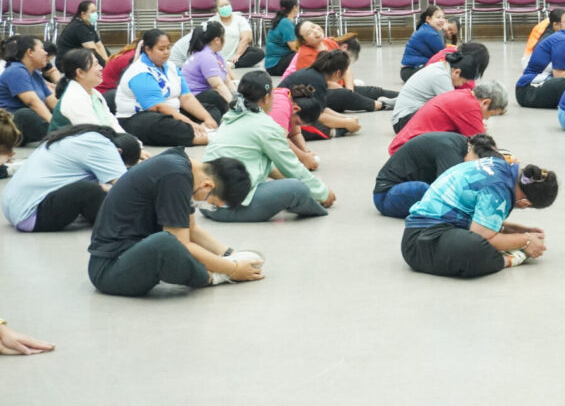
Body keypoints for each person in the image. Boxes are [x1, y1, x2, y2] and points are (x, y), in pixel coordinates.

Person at [87, 148, 264, 296]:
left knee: (169, 241)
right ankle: (212, 277)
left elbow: (191, 228)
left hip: (130, 254)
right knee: (166, 242)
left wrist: (229, 253)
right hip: (110, 270)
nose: (205, 205)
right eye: (210, 202)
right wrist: (232, 269)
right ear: (207, 186)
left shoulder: (181, 166)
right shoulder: (175, 176)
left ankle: (217, 268)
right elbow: (181, 243)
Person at [202, 71, 335, 222]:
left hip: (206, 204)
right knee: (297, 188)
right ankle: (317, 203)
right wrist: (322, 192)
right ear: (266, 97)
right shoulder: (266, 126)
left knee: (290, 184)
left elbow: (268, 166)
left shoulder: (230, 118)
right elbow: (291, 166)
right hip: (228, 208)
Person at [401, 158, 558, 278]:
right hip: (421, 243)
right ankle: (507, 260)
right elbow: (482, 237)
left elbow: (478, 217)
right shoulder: (499, 192)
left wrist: (517, 230)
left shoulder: (500, 166)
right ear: (525, 203)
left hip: (427, 230)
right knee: (476, 248)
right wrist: (526, 240)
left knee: (484, 240)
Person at [1, 125, 141, 232]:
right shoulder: (103, 146)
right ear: (118, 152)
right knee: (91, 191)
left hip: (14, 208)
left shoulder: (76, 137)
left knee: (95, 188)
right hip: (31, 217)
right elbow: (126, 187)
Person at [115, 29, 220, 147]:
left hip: (172, 111)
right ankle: (202, 136)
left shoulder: (171, 66)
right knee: (160, 124)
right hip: (140, 118)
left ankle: (201, 129)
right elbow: (158, 107)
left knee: (210, 109)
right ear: (148, 50)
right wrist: (190, 123)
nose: (166, 52)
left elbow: (186, 97)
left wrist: (207, 118)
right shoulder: (140, 71)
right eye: (161, 49)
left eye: (168, 48)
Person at [374, 132, 500, 218]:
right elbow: (449, 192)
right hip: (386, 195)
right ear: (475, 153)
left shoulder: (462, 143)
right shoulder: (450, 152)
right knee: (433, 194)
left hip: (401, 188)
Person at [388, 81, 508, 155]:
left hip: (404, 146)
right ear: (486, 103)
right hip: (407, 152)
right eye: (491, 114)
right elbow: (483, 149)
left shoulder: (464, 94)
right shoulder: (470, 107)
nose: (487, 119)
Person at [390, 43, 489, 132]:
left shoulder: (443, 67)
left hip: (408, 117)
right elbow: (455, 108)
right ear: (457, 72)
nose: (461, 85)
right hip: (403, 121)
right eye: (463, 82)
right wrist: (474, 124)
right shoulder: (442, 77)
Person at [278, 50, 362, 138]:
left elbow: (322, 109)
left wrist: (345, 118)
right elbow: (318, 116)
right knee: (309, 125)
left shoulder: (316, 76)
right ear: (338, 73)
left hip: (290, 110)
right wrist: (346, 123)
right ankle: (333, 132)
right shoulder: (316, 80)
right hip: (283, 115)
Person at [48, 49, 127, 134]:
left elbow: (111, 122)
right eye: (95, 65)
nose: (101, 68)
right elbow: (91, 134)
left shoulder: (95, 93)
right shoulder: (74, 98)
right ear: (80, 72)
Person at [0, 35, 58, 144]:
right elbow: (32, 102)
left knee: (58, 112)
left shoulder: (35, 73)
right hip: (8, 125)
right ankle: (62, 133)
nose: (46, 53)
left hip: (26, 123)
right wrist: (55, 124)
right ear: (30, 52)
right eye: (42, 48)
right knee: (24, 115)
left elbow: (51, 100)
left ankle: (67, 131)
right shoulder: (16, 70)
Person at [180, 21, 236, 118]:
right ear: (217, 40)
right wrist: (235, 105)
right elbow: (217, 86)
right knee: (216, 96)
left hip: (204, 95)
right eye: (224, 37)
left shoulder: (216, 54)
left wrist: (238, 96)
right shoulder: (206, 56)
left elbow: (227, 81)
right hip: (192, 99)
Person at [268, 83, 324, 171]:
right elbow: (279, 139)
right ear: (296, 109)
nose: (296, 126)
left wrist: (306, 152)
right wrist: (303, 157)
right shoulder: (281, 106)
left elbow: (295, 134)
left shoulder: (289, 98)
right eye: (297, 123)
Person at [212, 0, 264, 68]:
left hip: (237, 53)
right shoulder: (212, 21)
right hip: (218, 54)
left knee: (258, 53)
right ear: (216, 10)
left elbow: (246, 38)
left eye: (227, 5)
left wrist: (238, 54)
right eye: (221, 6)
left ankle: (231, 64)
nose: (225, 7)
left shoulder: (240, 19)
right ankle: (222, 62)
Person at [56, 0, 108, 68]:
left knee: (104, 50)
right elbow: (92, 49)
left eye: (96, 11)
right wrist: (105, 65)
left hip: (77, 55)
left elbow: (99, 45)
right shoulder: (78, 27)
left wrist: (108, 61)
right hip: (65, 62)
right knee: (93, 54)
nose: (95, 14)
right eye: (92, 12)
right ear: (83, 14)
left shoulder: (88, 25)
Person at [400, 5, 446, 82]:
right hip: (411, 71)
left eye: (443, 17)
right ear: (428, 19)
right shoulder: (430, 33)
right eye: (438, 17)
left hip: (409, 71)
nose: (441, 20)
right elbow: (444, 54)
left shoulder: (427, 28)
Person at [264, 0, 299, 76]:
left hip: (272, 65)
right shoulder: (286, 22)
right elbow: (294, 47)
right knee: (305, 54)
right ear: (295, 7)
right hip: (276, 64)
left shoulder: (282, 20)